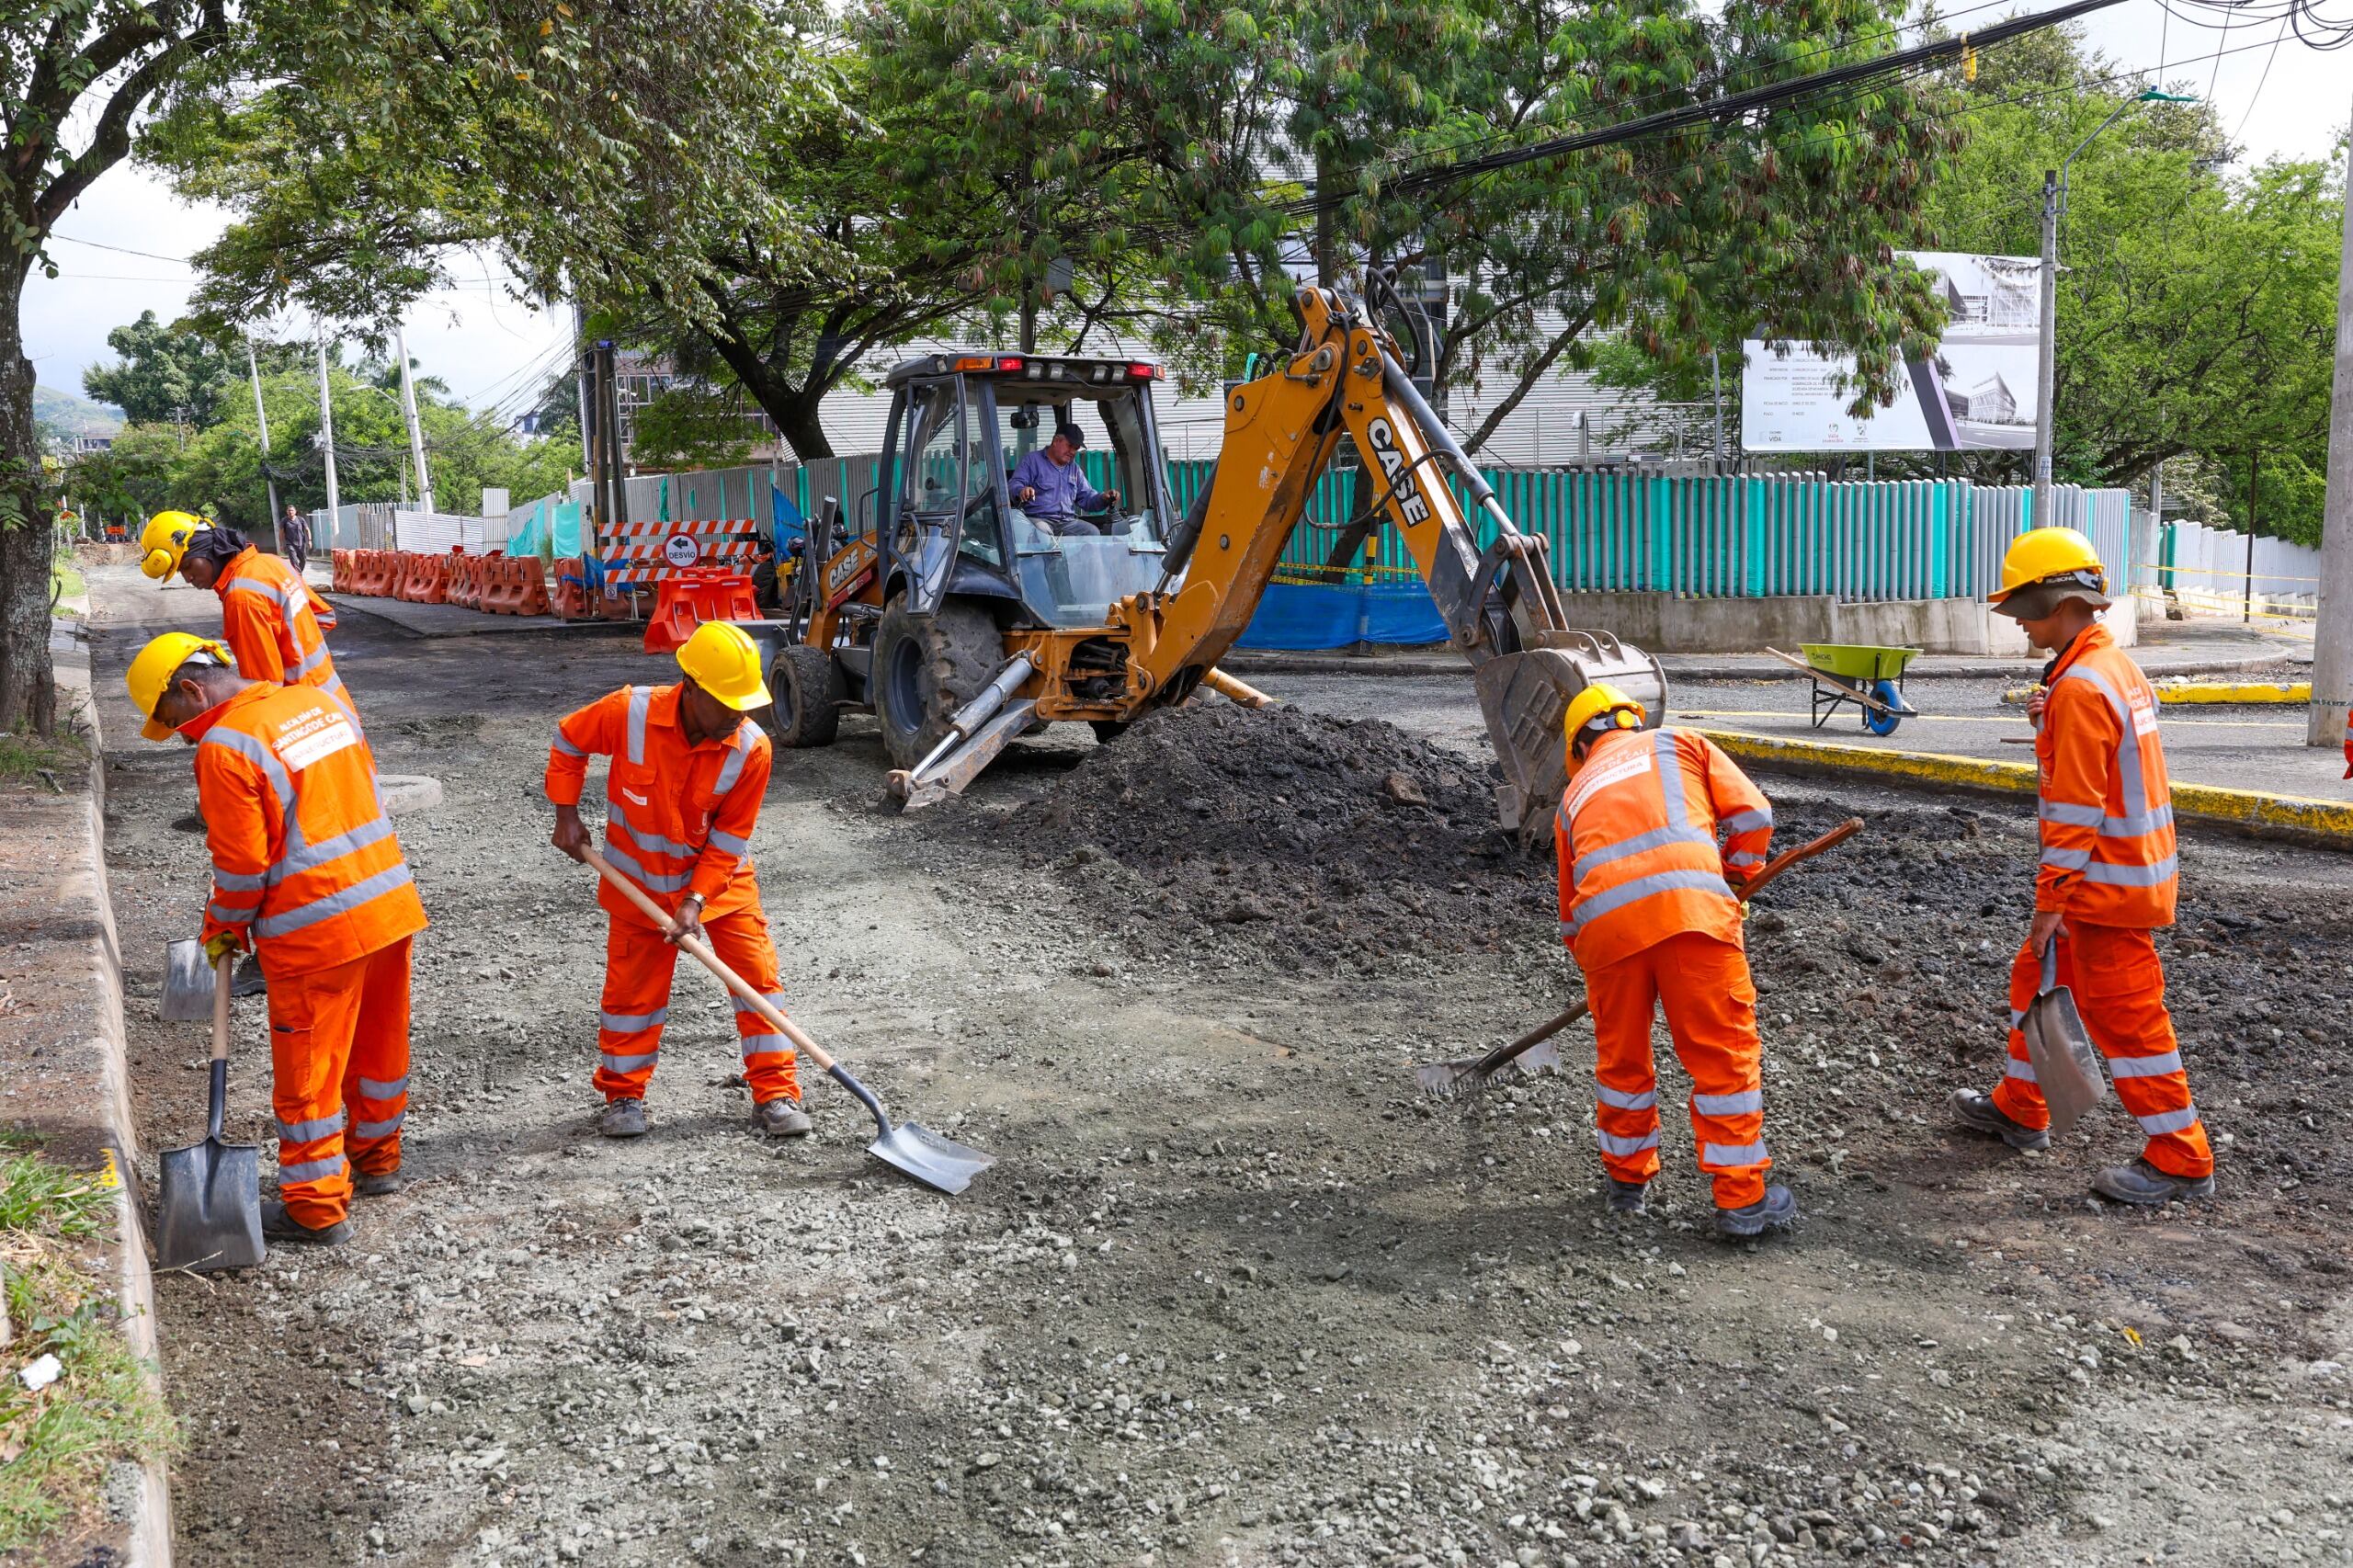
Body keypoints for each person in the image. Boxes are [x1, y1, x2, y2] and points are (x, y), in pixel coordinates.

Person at [124, 631, 427, 1246]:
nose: (181, 735)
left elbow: (241, 869)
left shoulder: (224, 747)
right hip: (389, 907)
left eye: (173, 720)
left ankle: (316, 1208)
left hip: (317, 932)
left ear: (190, 689)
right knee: (378, 1046)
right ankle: (377, 1161)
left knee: (308, 1072)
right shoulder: (321, 703)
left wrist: (223, 928)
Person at [1948, 528, 2213, 1205]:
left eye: (2023, 612)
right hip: (2119, 876)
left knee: (2128, 1020)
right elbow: (2097, 769)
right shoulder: (2106, 668)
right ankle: (2019, 1107)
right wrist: (2049, 725)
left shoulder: (2080, 688)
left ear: (2057, 602)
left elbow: (2075, 815)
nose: (2019, 626)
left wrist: (2048, 907)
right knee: (2034, 980)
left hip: (2103, 889)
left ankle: (2181, 1157)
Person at [544, 621, 813, 1140]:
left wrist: (695, 898)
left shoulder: (750, 749)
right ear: (690, 686)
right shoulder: (631, 713)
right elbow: (569, 738)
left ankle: (776, 1092)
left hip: (720, 886)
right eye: (727, 701)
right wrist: (566, 815)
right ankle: (624, 1095)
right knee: (632, 995)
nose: (739, 713)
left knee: (756, 981)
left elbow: (731, 837)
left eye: (744, 702)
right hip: (638, 885)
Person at [1552, 683, 1794, 1238]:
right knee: (1721, 1056)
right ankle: (1740, 1200)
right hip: (1692, 918)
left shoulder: (1572, 800)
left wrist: (1599, 968)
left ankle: (1625, 1183)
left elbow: (1570, 913)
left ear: (1580, 748)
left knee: (1622, 1061)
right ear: (1629, 722)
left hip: (1607, 936)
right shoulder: (1680, 743)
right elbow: (1754, 814)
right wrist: (1735, 877)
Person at [138, 511, 350, 711]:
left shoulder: (242, 599)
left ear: (207, 549)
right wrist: (294, 654)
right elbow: (324, 617)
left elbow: (264, 689)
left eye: (187, 565)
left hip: (303, 716)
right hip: (332, 705)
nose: (188, 578)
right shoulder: (272, 563)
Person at [1007, 421, 1121, 537]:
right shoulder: (1032, 461)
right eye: (1070, 446)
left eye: (1075, 448)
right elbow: (1015, 484)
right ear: (1056, 441)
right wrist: (1022, 490)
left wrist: (1104, 498)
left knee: (1092, 532)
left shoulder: (1074, 469)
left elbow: (1087, 498)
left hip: (1066, 522)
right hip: (1038, 519)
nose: (1072, 452)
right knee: (1042, 532)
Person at [281, 504, 310, 574]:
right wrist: (281, 544)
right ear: (287, 512)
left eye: (292, 510)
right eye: (289, 510)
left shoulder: (300, 519)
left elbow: (307, 530)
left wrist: (310, 540)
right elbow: (281, 533)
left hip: (301, 544)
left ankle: (296, 573)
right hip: (290, 544)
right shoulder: (284, 521)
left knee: (303, 560)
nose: (291, 512)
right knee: (294, 561)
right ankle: (298, 576)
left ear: (295, 511)